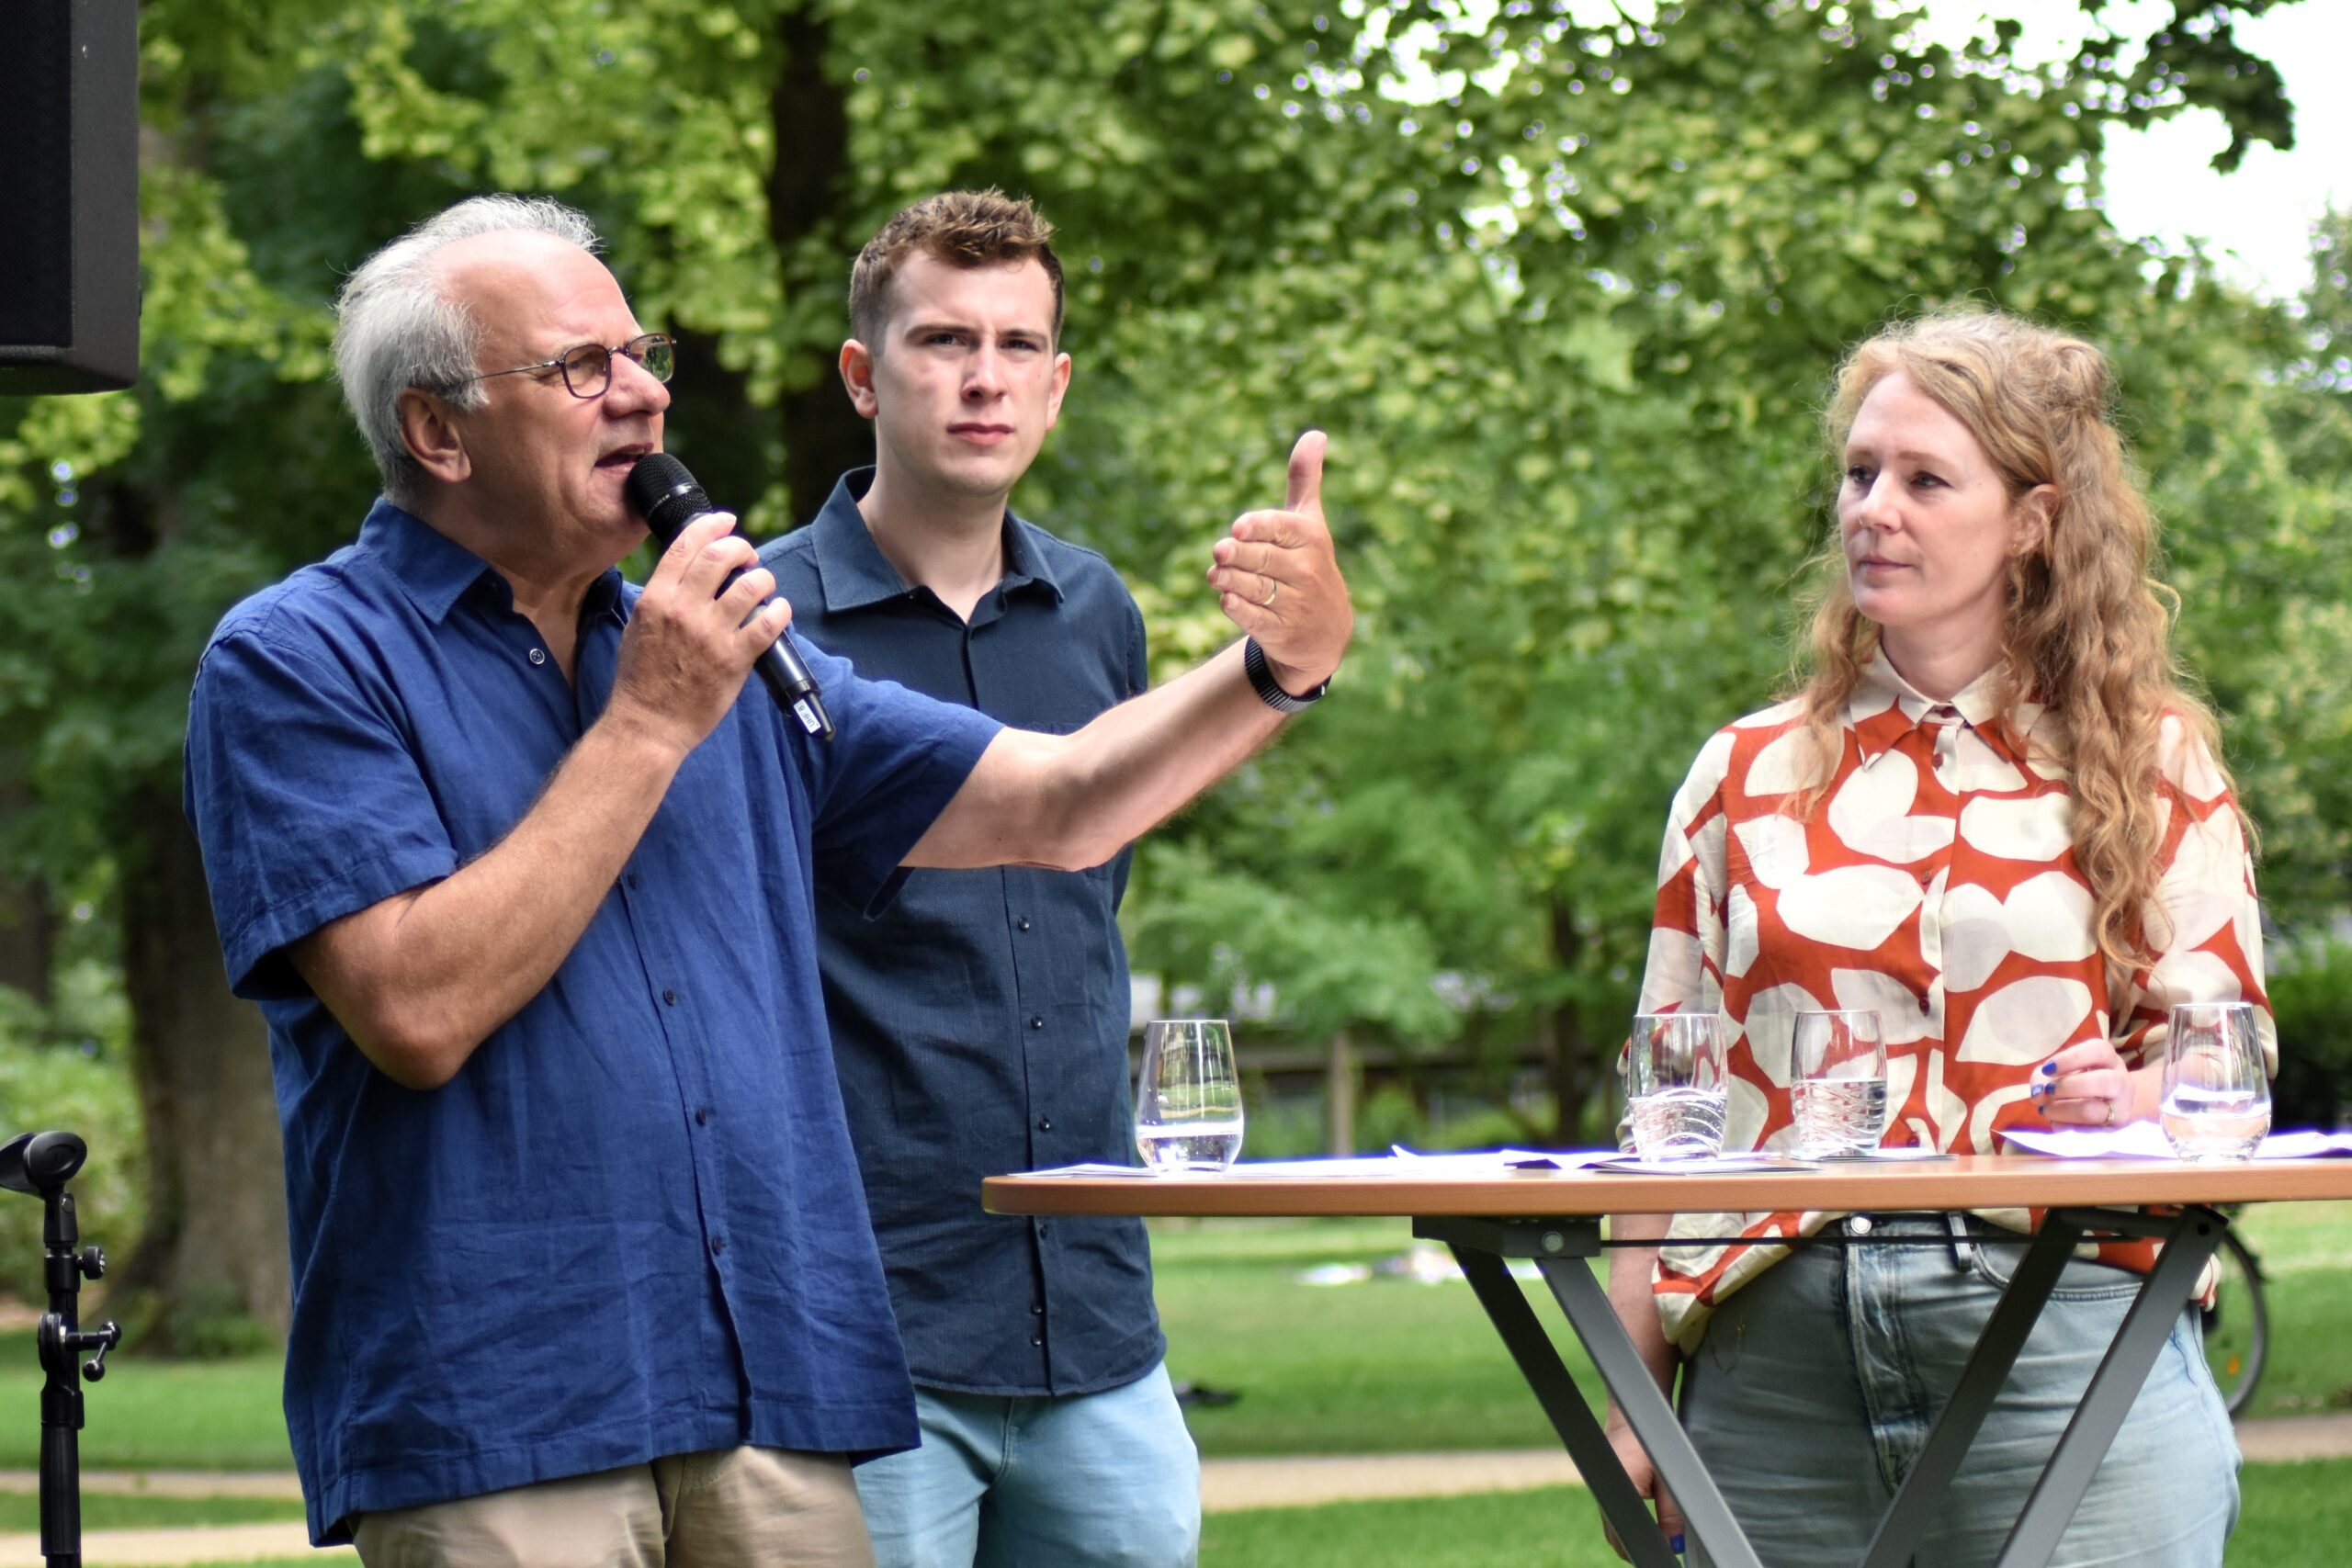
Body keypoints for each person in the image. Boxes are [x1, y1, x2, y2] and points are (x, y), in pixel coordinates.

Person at [179, 193, 1349, 1565]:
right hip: (507, 1407)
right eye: (580, 368)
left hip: (769, 1398)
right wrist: (647, 723)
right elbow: (414, 1010)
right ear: (438, 431)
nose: (643, 396)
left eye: (642, 355)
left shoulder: (727, 658)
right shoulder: (299, 660)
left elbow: (1067, 803)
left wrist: (1282, 670)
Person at [1601, 310, 2271, 1567]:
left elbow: (2223, 1069)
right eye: (1860, 473)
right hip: (1776, 1370)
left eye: (1924, 480)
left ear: (2030, 519)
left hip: (2068, 1341)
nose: (1874, 510)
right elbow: (1664, 1105)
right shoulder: (1742, 771)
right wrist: (1632, 1404)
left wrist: (2128, 1098)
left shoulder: (2152, 761)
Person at [758, 190, 1201, 1568]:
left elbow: (1087, 909)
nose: (984, 378)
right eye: (945, 340)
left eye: (1019, 346)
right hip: (867, 1326)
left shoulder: (1098, 612)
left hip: (1102, 1322)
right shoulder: (753, 624)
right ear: (862, 374)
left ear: (1057, 386)